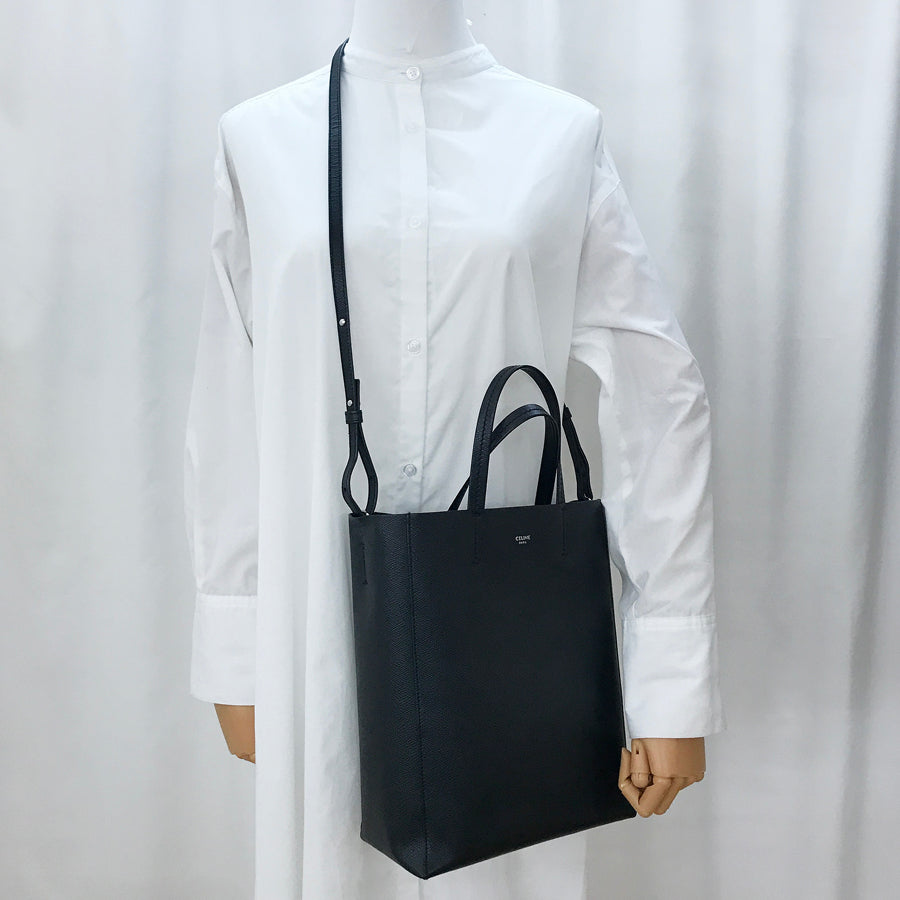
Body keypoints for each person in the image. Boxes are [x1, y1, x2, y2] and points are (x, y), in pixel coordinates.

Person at [184, 1, 725, 896]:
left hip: (506, 632)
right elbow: (226, 400)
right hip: (314, 615)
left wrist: (670, 671)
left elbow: (658, 393)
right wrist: (238, 639)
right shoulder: (258, 138)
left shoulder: (560, 135)